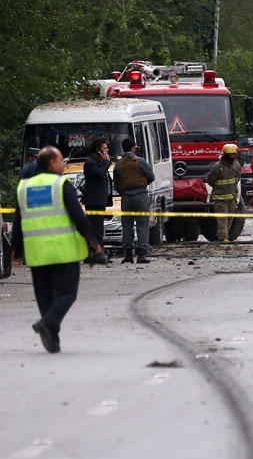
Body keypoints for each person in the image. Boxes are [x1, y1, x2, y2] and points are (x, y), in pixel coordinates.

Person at [13, 146, 105, 353]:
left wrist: (17, 250)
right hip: (64, 251)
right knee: (67, 294)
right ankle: (48, 324)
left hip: (37, 253)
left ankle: (52, 338)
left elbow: (18, 220)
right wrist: (93, 242)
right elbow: (78, 216)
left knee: (45, 296)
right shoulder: (61, 184)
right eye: (61, 160)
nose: (64, 163)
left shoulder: (25, 187)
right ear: (51, 163)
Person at [114, 137, 155, 264]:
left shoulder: (118, 164)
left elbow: (116, 184)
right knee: (142, 225)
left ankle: (128, 255)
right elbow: (151, 177)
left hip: (126, 198)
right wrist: (142, 185)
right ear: (133, 148)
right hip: (140, 196)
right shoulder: (140, 161)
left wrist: (124, 192)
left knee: (127, 226)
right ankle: (141, 255)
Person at [205, 143, 242, 242]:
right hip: (220, 198)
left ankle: (225, 236)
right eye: (231, 155)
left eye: (234, 154)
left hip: (232, 197)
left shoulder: (236, 165)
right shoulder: (218, 167)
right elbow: (210, 180)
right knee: (222, 218)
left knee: (230, 217)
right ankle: (223, 237)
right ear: (225, 155)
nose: (233, 157)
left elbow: (237, 178)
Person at [82, 138, 112, 247]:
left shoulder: (99, 162)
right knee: (95, 227)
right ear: (97, 151)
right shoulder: (91, 163)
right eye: (104, 148)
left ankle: (98, 250)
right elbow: (99, 174)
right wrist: (107, 162)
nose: (107, 150)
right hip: (93, 200)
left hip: (100, 199)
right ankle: (95, 252)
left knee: (99, 227)